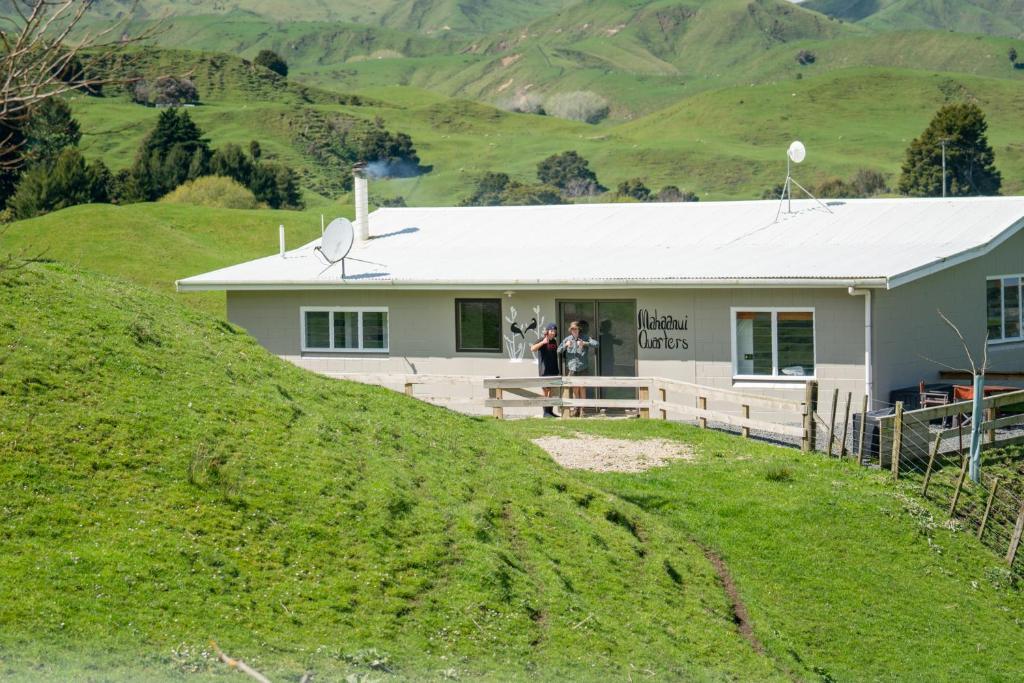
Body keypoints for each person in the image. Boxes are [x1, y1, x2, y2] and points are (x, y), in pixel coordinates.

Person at [560, 321, 599, 417]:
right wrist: (565, 345)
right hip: (572, 369)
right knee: (575, 389)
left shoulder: (584, 337)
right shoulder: (567, 339)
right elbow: (558, 350)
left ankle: (583, 409)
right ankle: (576, 408)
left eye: (575, 329)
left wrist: (585, 343)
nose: (574, 330)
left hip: (582, 367)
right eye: (572, 329)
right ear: (570, 330)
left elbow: (596, 344)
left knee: (582, 388)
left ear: (579, 329)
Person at [530, 323, 561, 417]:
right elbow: (532, 349)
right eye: (551, 331)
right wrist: (542, 343)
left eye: (554, 331)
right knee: (545, 391)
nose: (553, 333)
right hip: (544, 371)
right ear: (547, 331)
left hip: (553, 370)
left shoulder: (554, 342)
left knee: (551, 392)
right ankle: (545, 412)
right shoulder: (542, 339)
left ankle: (550, 411)